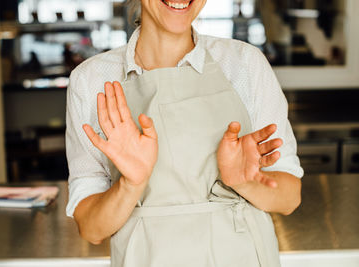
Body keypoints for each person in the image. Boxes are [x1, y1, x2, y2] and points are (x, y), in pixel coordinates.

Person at [65, 0, 303, 266]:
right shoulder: (91, 81)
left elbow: (289, 198)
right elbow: (91, 229)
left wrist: (243, 182)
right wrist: (129, 185)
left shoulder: (244, 64)